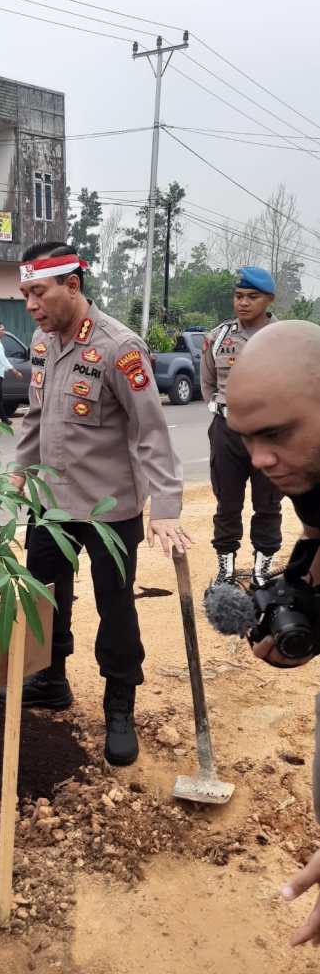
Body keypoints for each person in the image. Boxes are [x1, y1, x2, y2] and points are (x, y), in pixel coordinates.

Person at [0, 242, 191, 767]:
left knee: (115, 605)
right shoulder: (43, 342)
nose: (30, 306)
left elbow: (152, 431)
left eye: (39, 293)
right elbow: (36, 416)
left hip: (110, 509)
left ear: (72, 285)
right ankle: (51, 680)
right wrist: (20, 470)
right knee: (44, 596)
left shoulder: (118, 347)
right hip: (51, 503)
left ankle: (119, 705)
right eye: (25, 294)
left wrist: (165, 507)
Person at [226, 319, 320, 947]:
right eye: (248, 438)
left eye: (277, 435)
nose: (259, 460)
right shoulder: (309, 470)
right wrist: (298, 606)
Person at [201, 266, 282, 588]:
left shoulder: (283, 337)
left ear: (269, 299)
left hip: (270, 433)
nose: (243, 302)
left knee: (268, 503)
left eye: (252, 296)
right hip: (227, 430)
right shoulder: (218, 336)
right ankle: (226, 569)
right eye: (238, 296)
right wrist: (220, 408)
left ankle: (262, 571)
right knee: (227, 504)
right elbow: (208, 381)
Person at [0, 321, 23, 424]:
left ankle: (4, 419)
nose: (4, 332)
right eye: (2, 330)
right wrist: (15, 372)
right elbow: (3, 360)